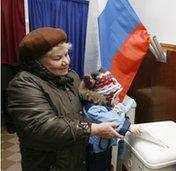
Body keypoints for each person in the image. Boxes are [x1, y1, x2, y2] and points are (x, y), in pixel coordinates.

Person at [6, 27, 123, 171]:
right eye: (57, 58)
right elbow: (43, 126)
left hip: (75, 158)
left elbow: (85, 98)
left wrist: (107, 101)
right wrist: (93, 129)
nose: (66, 62)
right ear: (37, 62)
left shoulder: (70, 76)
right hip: (48, 163)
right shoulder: (23, 85)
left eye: (66, 54)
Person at [79, 68, 141, 171]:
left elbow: (116, 115)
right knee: (99, 167)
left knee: (106, 165)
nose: (118, 100)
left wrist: (118, 109)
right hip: (96, 150)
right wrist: (129, 126)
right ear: (105, 97)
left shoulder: (103, 105)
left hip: (104, 145)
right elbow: (113, 120)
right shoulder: (93, 110)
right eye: (115, 97)